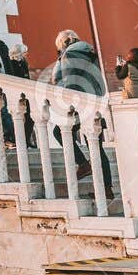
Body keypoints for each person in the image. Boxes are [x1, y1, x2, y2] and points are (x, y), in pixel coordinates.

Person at [49, 30, 107, 182]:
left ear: (65, 42)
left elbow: (68, 81)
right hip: (95, 103)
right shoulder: (90, 53)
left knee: (59, 132)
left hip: (78, 103)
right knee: (96, 147)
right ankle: (107, 189)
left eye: (60, 45)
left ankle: (83, 164)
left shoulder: (69, 55)